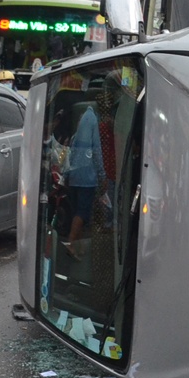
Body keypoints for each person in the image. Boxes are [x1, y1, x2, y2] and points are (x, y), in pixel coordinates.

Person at [64, 102, 105, 260]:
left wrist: (67, 175)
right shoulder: (93, 120)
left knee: (78, 213)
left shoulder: (79, 129)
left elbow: (71, 152)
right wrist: (102, 175)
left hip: (74, 176)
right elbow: (97, 151)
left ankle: (77, 247)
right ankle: (70, 242)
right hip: (87, 178)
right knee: (82, 212)